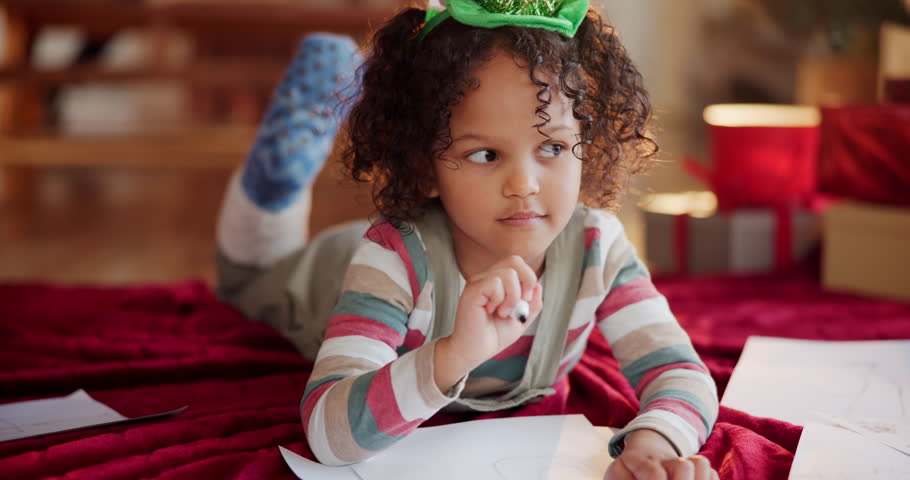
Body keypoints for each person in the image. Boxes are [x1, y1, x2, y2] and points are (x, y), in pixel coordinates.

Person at [214, 1, 719, 478]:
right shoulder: (391, 256)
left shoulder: (598, 246)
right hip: (333, 273)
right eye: (485, 155)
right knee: (253, 279)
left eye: (553, 146)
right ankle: (270, 195)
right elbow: (327, 432)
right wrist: (453, 353)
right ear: (423, 164)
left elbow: (684, 373)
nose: (524, 185)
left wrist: (653, 444)